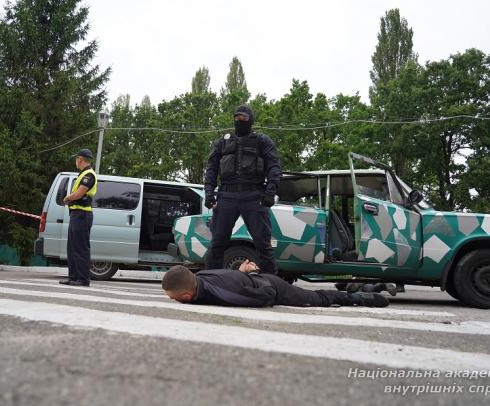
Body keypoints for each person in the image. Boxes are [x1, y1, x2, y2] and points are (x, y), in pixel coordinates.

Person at [204, 105, 282, 274]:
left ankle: (272, 283)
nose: (240, 121)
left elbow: (274, 168)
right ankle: (209, 280)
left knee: (262, 243)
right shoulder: (222, 142)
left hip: (253, 196)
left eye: (244, 118)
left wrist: (270, 191)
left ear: (250, 120)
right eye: (237, 118)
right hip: (226, 195)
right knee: (217, 242)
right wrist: (209, 193)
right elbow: (211, 169)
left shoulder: (262, 141)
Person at [162, 260, 389, 308]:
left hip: (269, 285)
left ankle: (359, 297)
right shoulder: (201, 274)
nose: (173, 301)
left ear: (185, 296)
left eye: (173, 298)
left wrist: (252, 279)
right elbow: (229, 277)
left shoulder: (222, 293)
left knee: (316, 298)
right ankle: (361, 287)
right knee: (313, 295)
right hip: (253, 279)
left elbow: (265, 296)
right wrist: (242, 273)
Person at [60, 148, 98, 287]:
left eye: (76, 159)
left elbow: (80, 193)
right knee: (72, 247)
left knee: (81, 248)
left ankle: (83, 279)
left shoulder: (89, 175)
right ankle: (73, 277)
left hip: (82, 214)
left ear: (80, 159)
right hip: (76, 214)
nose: (76, 161)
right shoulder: (83, 174)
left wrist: (68, 197)